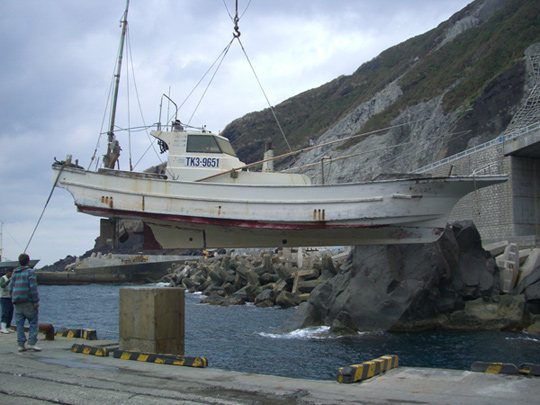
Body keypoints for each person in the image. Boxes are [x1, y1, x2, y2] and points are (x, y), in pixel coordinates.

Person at [10, 253, 40, 351]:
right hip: (28, 301)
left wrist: (13, 298)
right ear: (28, 262)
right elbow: (33, 287)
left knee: (19, 324)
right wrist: (36, 301)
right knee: (33, 322)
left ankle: (20, 345)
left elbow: (11, 287)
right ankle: (31, 343)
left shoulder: (14, 272)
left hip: (17, 301)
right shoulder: (30, 272)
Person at [1, 268, 14, 333]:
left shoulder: (11, 279)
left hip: (9, 297)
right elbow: (2, 285)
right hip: (3, 297)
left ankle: (8, 326)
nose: (12, 274)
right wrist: (8, 280)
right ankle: (3, 328)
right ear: (8, 272)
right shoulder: (3, 278)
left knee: (10, 311)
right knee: (5, 312)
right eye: (11, 272)